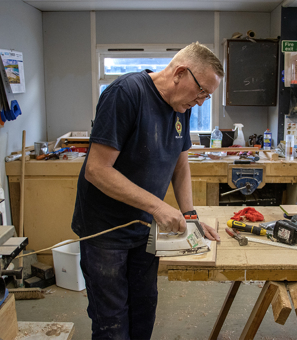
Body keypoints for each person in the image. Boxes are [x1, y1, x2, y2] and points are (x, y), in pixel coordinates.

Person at [71, 42, 224, 340]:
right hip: (105, 232)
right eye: (202, 92)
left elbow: (180, 165)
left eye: (208, 95)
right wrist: (158, 206)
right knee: (112, 323)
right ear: (180, 72)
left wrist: (189, 216)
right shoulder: (127, 94)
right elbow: (97, 169)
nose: (203, 102)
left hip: (144, 230)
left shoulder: (183, 106)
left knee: (143, 313)